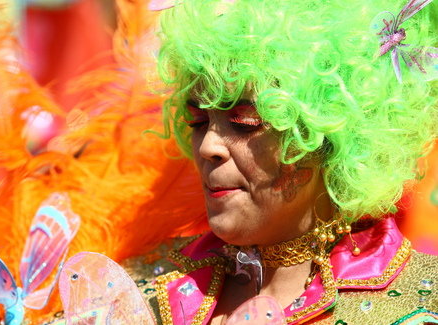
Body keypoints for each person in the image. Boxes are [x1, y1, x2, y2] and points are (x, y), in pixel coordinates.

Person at [130, 0, 438, 324]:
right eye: (198, 121)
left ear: (325, 133)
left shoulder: (420, 304)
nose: (208, 146)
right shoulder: (142, 293)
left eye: (245, 121)